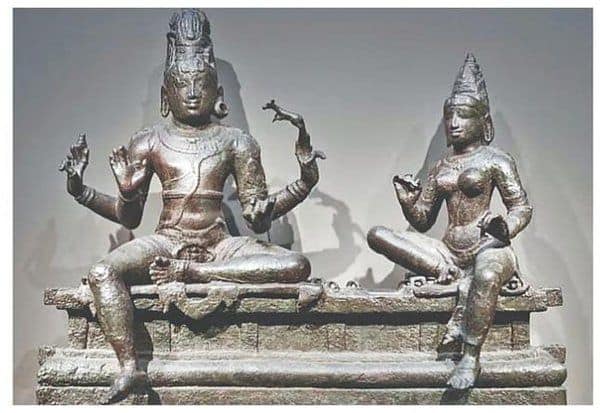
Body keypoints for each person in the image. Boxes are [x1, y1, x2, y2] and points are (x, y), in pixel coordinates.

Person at [59, 9, 323, 403]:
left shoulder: (237, 142)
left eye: (202, 83)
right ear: (166, 94)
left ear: (218, 94)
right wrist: (85, 190)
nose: (193, 92)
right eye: (182, 84)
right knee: (101, 272)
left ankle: (195, 273)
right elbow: (130, 217)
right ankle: (130, 368)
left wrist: (304, 182)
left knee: (296, 265)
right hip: (167, 241)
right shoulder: (148, 140)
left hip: (220, 246)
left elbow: (257, 216)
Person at [367, 53, 532, 390]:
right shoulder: (441, 166)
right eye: (449, 116)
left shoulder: (496, 160)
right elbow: (423, 221)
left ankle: (471, 356)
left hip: (488, 248)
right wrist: (407, 201)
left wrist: (505, 227)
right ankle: (453, 274)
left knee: (487, 275)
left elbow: (522, 207)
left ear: (483, 122)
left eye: (463, 115)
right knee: (377, 234)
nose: (454, 123)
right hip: (446, 252)